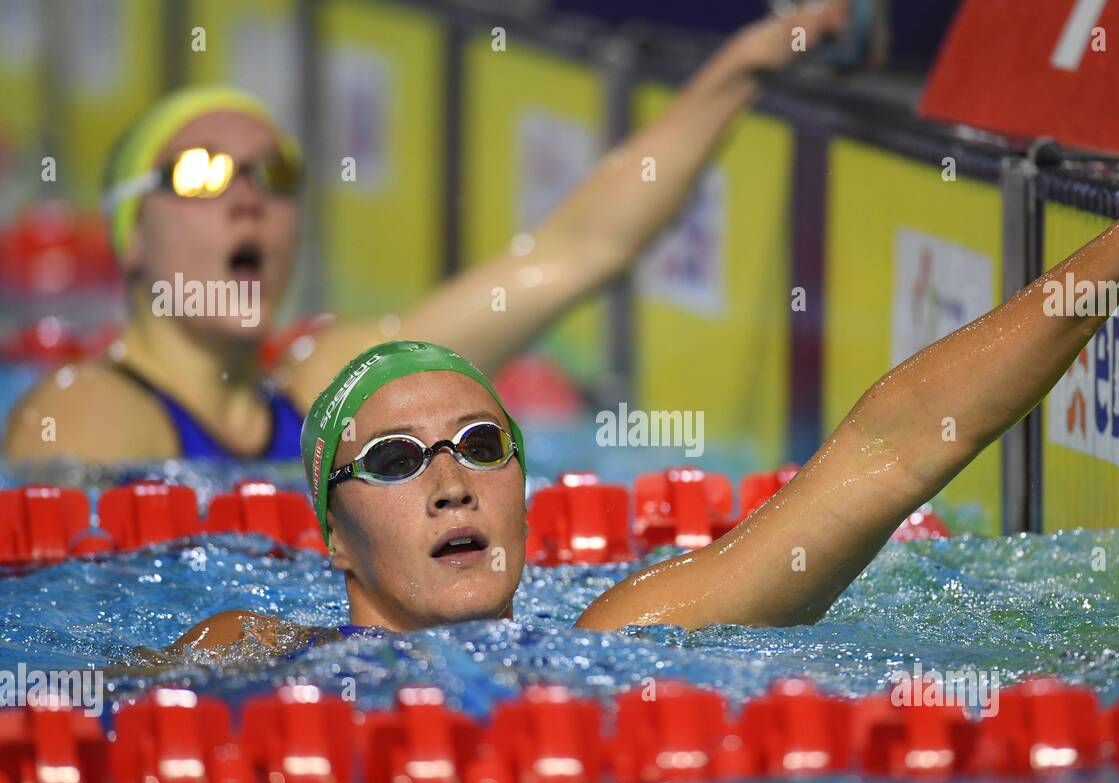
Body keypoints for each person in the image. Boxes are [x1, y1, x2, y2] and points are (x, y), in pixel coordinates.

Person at [171, 105, 1119, 651]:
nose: (452, 482)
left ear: (524, 480)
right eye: (395, 460)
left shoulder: (622, 635)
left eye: (479, 444)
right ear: (329, 531)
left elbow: (891, 447)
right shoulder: (247, 658)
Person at [3, 0, 853, 462]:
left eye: (278, 176)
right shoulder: (90, 413)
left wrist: (745, 64)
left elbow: (576, 253)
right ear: (129, 240)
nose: (248, 201)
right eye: (198, 177)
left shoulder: (329, 383)